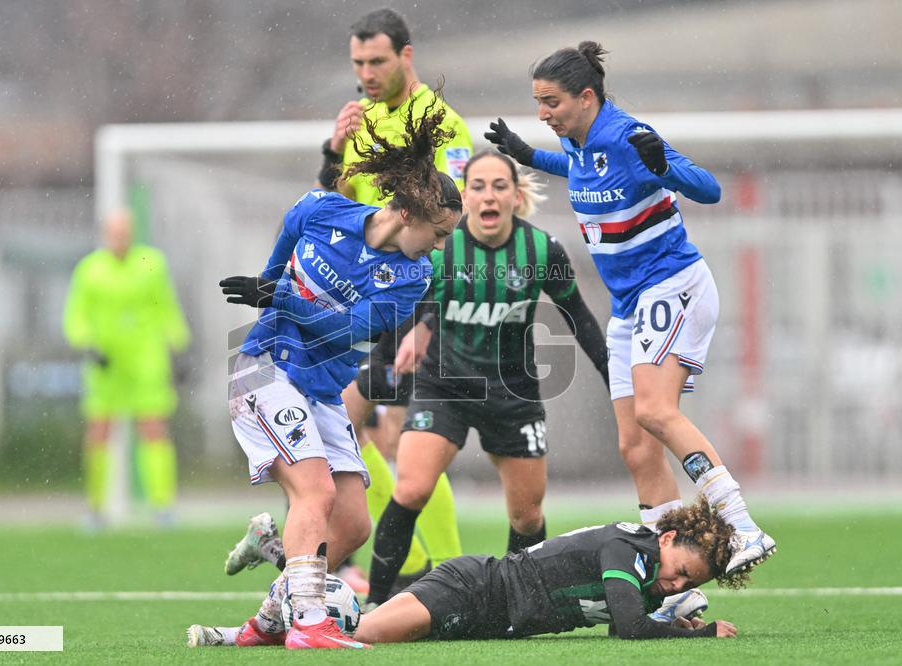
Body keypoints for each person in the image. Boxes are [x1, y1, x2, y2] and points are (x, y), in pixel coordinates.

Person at [484, 42, 775, 574]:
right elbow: (580, 168)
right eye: (537, 102)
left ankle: (743, 526)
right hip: (631, 305)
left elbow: (707, 189)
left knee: (655, 412)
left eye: (550, 102)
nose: (542, 113)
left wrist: (665, 168)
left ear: (587, 97)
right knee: (636, 445)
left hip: (671, 285)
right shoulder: (579, 140)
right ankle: (673, 580)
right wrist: (527, 156)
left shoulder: (626, 135)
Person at [226, 6, 471, 595]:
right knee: (365, 439)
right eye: (357, 61)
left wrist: (425, 323)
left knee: (402, 441)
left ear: (405, 56)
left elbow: (453, 229)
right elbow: (329, 211)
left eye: (377, 61)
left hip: (411, 308)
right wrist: (333, 153)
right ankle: (334, 565)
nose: (365, 72)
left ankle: (431, 566)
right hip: (350, 302)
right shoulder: (360, 121)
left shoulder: (442, 128)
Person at [363, 149, 609, 609]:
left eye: (500, 186)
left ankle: (521, 608)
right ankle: (376, 603)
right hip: (444, 385)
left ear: (516, 196)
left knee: (527, 513)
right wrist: (397, 347)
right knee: (412, 487)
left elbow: (578, 317)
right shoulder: (442, 246)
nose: (489, 196)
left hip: (512, 393)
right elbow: (414, 303)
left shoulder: (542, 250)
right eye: (478, 186)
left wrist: (615, 379)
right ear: (466, 195)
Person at [187, 496, 743, 646]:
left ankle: (264, 587)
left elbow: (641, 607)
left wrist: (676, 610)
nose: (676, 584)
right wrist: (695, 632)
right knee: (356, 634)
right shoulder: (627, 553)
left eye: (689, 584)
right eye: (679, 571)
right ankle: (276, 555)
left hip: (488, 618)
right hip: (474, 589)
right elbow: (627, 625)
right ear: (666, 538)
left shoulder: (648, 568)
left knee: (361, 626)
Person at [62, 209, 190, 529]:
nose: (120, 238)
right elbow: (75, 316)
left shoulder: (151, 263)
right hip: (106, 363)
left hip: (146, 360)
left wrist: (179, 344)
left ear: (132, 231)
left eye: (124, 231)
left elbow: (166, 306)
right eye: (114, 232)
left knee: (153, 428)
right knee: (99, 431)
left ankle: (162, 507)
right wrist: (87, 343)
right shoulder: (89, 270)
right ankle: (95, 509)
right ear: (105, 233)